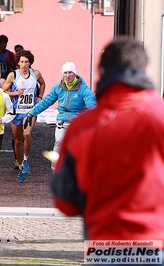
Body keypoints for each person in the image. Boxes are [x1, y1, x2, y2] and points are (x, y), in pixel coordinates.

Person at [50, 37, 164, 265]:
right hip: (158, 243)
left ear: (101, 73)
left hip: (104, 246)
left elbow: (65, 202)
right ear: (147, 71)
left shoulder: (83, 128)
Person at [24, 61, 96, 171]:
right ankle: (55, 170)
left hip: (77, 123)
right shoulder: (58, 87)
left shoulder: (83, 89)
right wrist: (32, 112)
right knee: (59, 142)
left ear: (75, 73)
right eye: (65, 73)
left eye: (70, 73)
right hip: (62, 122)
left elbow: (92, 104)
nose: (68, 76)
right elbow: (46, 102)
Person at [2, 50, 46, 183]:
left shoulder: (35, 74)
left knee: (27, 134)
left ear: (30, 62)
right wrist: (15, 93)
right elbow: (3, 90)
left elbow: (42, 83)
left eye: (26, 62)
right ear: (18, 63)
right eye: (22, 62)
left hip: (30, 111)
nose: (24, 64)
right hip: (16, 112)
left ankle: (26, 160)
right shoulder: (13, 75)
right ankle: (20, 166)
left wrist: (39, 97)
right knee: (17, 140)